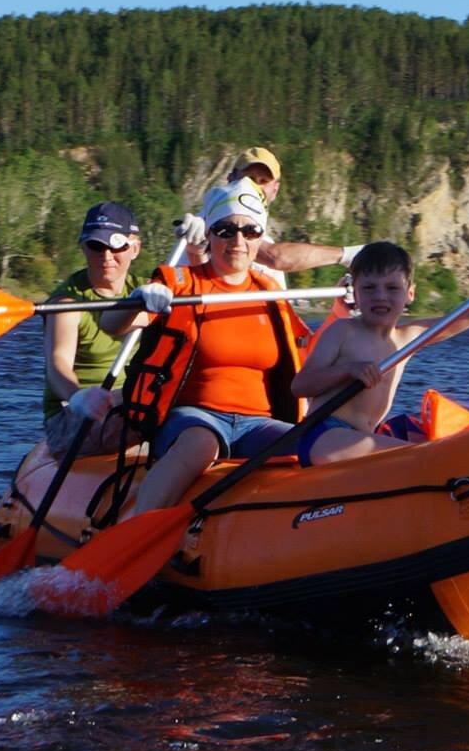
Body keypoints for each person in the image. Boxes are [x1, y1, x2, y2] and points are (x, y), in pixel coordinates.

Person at [102, 179, 311, 513]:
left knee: (309, 441)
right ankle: (136, 526)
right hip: (194, 417)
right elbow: (111, 326)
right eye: (226, 230)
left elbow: (312, 351)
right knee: (201, 443)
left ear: (260, 237)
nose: (238, 241)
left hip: (257, 423)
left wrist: (347, 312)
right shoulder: (179, 284)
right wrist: (136, 302)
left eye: (250, 231)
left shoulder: (271, 292)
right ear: (210, 235)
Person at [290, 242, 469, 465]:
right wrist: (348, 370)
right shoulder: (343, 330)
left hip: (367, 435)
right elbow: (301, 386)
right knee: (427, 457)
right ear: (356, 293)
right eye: (369, 288)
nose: (380, 296)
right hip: (325, 435)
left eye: (392, 288)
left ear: (410, 293)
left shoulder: (407, 337)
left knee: (454, 453)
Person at [41, 201, 144, 455]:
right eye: (96, 246)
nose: (106, 255)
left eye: (116, 245)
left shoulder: (146, 289)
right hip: (73, 414)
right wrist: (77, 397)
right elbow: (58, 363)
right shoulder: (67, 302)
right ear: (84, 248)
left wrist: (197, 251)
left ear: (135, 248)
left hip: (128, 402)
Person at [176, 145, 363, 273]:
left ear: (275, 189)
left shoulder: (264, 242)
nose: (251, 187)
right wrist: (347, 255)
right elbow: (275, 257)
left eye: (262, 181)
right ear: (231, 179)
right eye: (247, 177)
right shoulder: (207, 223)